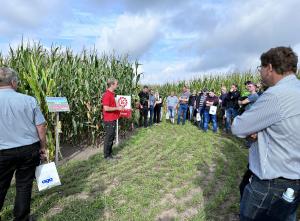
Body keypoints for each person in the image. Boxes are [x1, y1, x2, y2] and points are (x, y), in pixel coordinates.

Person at [232, 46, 300, 221]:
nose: (260, 73)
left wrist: (258, 131)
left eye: (260, 68)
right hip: (294, 180)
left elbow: (238, 127)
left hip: (271, 185)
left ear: (269, 68)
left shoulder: (275, 96)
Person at [0, 67, 47, 221]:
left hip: (2, 151)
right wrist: (43, 147)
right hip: (28, 150)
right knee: (24, 185)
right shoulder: (29, 100)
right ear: (13, 82)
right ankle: (21, 218)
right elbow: (40, 126)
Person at [102, 78, 124, 160]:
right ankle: (106, 156)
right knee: (109, 138)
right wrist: (117, 108)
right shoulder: (107, 95)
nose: (117, 85)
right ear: (112, 85)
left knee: (111, 137)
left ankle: (110, 154)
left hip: (112, 119)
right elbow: (106, 108)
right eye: (116, 84)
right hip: (109, 120)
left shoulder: (111, 94)